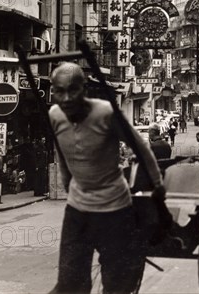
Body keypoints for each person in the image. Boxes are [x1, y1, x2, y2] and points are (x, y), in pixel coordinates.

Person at [48, 62, 164, 294]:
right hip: (78, 211)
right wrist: (67, 183)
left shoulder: (106, 113)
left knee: (117, 284)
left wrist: (158, 184)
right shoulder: (54, 115)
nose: (67, 98)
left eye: (73, 90)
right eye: (59, 91)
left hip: (114, 210)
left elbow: (141, 149)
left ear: (85, 89)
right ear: (53, 91)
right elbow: (62, 153)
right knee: (70, 283)